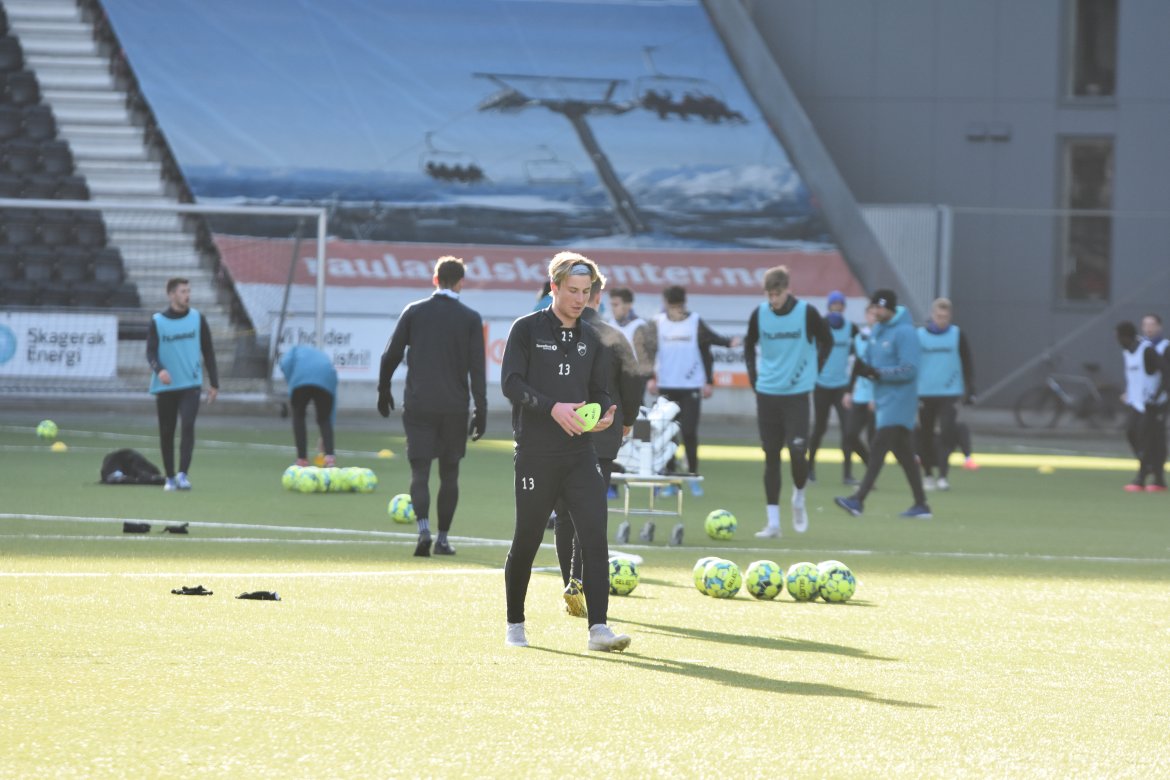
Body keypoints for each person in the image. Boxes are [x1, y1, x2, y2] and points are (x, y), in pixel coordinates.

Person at [500, 251, 629, 652]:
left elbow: (600, 391)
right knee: (526, 540)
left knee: (595, 538)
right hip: (536, 454)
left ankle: (598, 629)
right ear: (554, 287)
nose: (579, 299)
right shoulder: (525, 329)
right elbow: (510, 383)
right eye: (572, 290)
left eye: (585, 291)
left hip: (580, 454)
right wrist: (551, 407)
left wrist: (603, 413)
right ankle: (515, 625)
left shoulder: (593, 338)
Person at [378, 256, 487, 556]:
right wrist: (481, 409)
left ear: (435, 279)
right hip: (454, 407)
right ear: (461, 283)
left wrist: (383, 388)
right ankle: (443, 539)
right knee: (450, 474)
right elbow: (477, 369)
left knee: (420, 471)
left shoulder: (414, 312)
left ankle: (423, 529)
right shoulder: (470, 318)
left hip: (419, 404)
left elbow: (390, 354)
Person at [554, 275, 642, 618]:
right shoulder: (613, 336)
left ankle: (570, 583)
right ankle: (579, 584)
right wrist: (628, 419)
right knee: (590, 513)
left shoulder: (554, 332)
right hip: (602, 437)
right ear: (599, 295)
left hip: (561, 432)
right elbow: (633, 381)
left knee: (564, 513)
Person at [743, 266, 832, 538]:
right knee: (771, 456)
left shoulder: (806, 312)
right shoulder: (759, 314)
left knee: (797, 452)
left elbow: (827, 341)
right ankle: (773, 524)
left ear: (787, 289)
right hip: (767, 393)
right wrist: (754, 379)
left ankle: (799, 497)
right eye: (769, 295)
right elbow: (748, 345)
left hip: (797, 395)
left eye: (777, 294)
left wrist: (814, 370)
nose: (773, 300)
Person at [834, 289, 932, 519]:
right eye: (873, 307)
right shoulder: (878, 330)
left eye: (879, 307)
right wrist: (862, 370)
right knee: (904, 453)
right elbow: (868, 360)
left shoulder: (906, 332)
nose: (875, 311)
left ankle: (858, 500)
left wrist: (878, 373)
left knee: (878, 445)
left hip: (901, 399)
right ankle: (921, 504)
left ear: (889, 308)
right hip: (884, 398)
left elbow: (909, 369)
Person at [648, 285, 740, 496]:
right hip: (667, 386)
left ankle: (692, 476)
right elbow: (649, 351)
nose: (675, 310)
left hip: (691, 387)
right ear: (665, 304)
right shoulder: (658, 323)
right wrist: (651, 378)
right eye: (671, 306)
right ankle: (671, 480)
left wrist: (727, 345)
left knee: (689, 432)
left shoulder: (694, 322)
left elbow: (710, 343)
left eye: (678, 306)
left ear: (683, 304)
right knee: (668, 434)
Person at [146, 277, 218, 491]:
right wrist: (160, 370)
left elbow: (208, 351)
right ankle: (169, 477)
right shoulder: (158, 321)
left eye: (188, 291)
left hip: (191, 384)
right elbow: (150, 352)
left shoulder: (197, 318)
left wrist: (214, 383)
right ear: (171, 295)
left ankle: (182, 474)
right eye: (183, 291)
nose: (187, 295)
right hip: (166, 387)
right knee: (167, 431)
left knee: (187, 425)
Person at [916, 298, 975, 491]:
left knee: (947, 433)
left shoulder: (957, 334)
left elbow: (967, 362)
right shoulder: (920, 336)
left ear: (950, 316)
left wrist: (970, 388)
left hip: (949, 392)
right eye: (939, 315)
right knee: (925, 435)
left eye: (945, 316)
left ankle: (943, 476)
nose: (942, 319)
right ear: (933, 315)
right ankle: (927, 475)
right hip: (925, 392)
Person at [807, 290, 858, 484]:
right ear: (829, 306)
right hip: (821, 384)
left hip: (841, 387)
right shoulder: (819, 326)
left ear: (844, 307)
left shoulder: (851, 328)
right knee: (820, 428)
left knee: (848, 430)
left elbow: (861, 349)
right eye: (834, 304)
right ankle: (809, 469)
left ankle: (847, 474)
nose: (837, 307)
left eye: (840, 304)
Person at [1117, 320, 1166, 492]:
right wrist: (1128, 393)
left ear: (1126, 337)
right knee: (1131, 433)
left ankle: (1144, 477)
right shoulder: (1127, 352)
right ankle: (1150, 466)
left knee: (1148, 439)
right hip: (1136, 403)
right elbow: (1134, 378)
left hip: (1151, 405)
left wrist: (1157, 395)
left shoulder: (1147, 350)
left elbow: (1166, 371)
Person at [278, 344, 338, 467]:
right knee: (324, 419)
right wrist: (325, 436)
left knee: (298, 416)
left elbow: (284, 363)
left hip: (300, 380)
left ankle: (302, 459)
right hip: (326, 378)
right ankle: (329, 458)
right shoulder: (323, 358)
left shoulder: (295, 349)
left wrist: (291, 382)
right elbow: (333, 402)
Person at [841, 303, 878, 485]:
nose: (874, 317)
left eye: (876, 314)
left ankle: (870, 478)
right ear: (866, 315)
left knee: (873, 439)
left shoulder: (884, 338)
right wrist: (849, 391)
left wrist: (876, 396)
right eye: (871, 314)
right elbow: (857, 365)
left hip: (876, 395)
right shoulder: (859, 337)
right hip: (860, 394)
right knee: (850, 435)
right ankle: (871, 466)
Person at [1139, 314, 1168, 491]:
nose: (1148, 328)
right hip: (1142, 400)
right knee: (1139, 434)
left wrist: (1159, 395)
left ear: (1159, 326)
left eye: (1152, 324)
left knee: (1157, 437)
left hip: (1159, 401)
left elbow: (1166, 374)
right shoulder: (1140, 347)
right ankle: (1145, 471)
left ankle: (1157, 476)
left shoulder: (1165, 347)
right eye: (1145, 324)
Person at [608, 286, 656, 378]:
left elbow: (649, 358)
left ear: (628, 305)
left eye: (616, 305)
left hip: (634, 377)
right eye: (611, 305)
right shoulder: (610, 323)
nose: (612, 309)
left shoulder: (640, 326)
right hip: (613, 376)